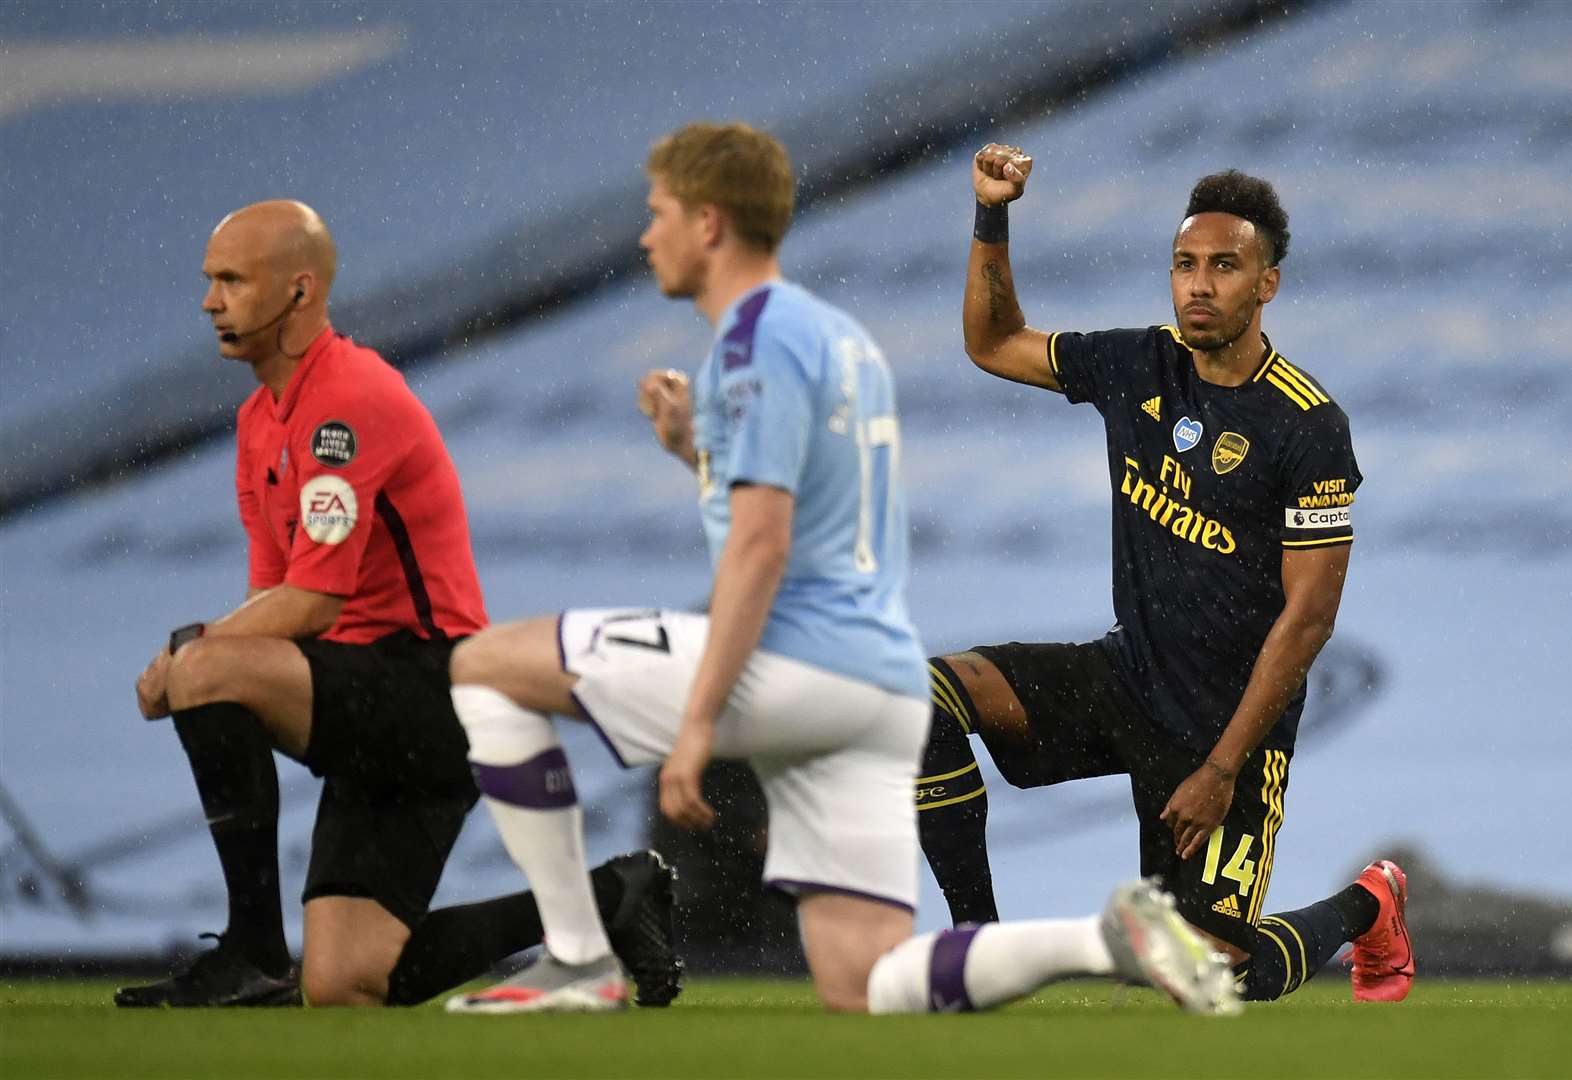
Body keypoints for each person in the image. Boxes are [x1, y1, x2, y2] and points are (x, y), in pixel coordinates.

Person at [442, 122, 1238, 1016]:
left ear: (708, 223)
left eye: (658, 212)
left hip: (791, 662)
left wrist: (697, 724)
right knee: (865, 983)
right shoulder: (832, 338)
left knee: (481, 667)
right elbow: (806, 513)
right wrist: (693, 456)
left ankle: (580, 951)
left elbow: (764, 544)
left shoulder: (755, 340)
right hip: (871, 682)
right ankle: (1102, 940)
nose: (643, 235)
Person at [119, 200, 682, 1009]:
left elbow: (312, 602)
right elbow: (272, 602)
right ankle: (608, 899)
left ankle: (250, 950)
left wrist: (185, 658)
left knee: (208, 669)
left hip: (430, 687)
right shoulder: (258, 422)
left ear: (300, 290)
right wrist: (202, 656)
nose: (211, 301)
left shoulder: (345, 398)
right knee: (348, 983)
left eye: (232, 280)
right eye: (210, 281)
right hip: (372, 705)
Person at [913, 146, 1414, 1004]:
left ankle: (1366, 906)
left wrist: (1221, 769)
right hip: (1127, 680)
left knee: (1207, 981)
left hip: (1230, 731)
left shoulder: (1306, 424)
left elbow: (1308, 621)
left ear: (1267, 285)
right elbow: (991, 342)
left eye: (1225, 266)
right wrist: (992, 215)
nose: (1199, 284)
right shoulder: (1137, 365)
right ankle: (977, 954)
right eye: (1185, 264)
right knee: (919, 697)